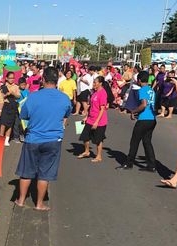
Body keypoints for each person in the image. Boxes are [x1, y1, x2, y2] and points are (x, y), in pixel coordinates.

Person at [14, 67, 72, 211]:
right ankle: (39, 203)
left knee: (26, 171)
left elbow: (23, 115)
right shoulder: (64, 98)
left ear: (43, 79)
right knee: (44, 174)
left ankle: (21, 200)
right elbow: (67, 113)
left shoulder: (33, 96)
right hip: (53, 139)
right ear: (57, 80)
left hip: (33, 138)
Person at [117, 71, 157, 172]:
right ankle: (152, 164)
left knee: (134, 141)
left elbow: (143, 104)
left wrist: (133, 111)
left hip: (144, 119)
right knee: (147, 142)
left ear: (139, 80)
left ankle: (129, 163)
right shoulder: (151, 90)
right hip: (152, 119)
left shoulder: (142, 90)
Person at [77, 76, 109, 163]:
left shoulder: (103, 93)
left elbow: (102, 109)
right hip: (91, 118)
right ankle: (87, 151)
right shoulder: (94, 93)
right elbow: (91, 106)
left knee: (98, 139)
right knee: (84, 136)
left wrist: (96, 122)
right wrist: (86, 116)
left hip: (99, 121)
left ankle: (99, 156)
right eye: (94, 82)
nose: (94, 84)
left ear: (100, 83)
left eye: (95, 82)